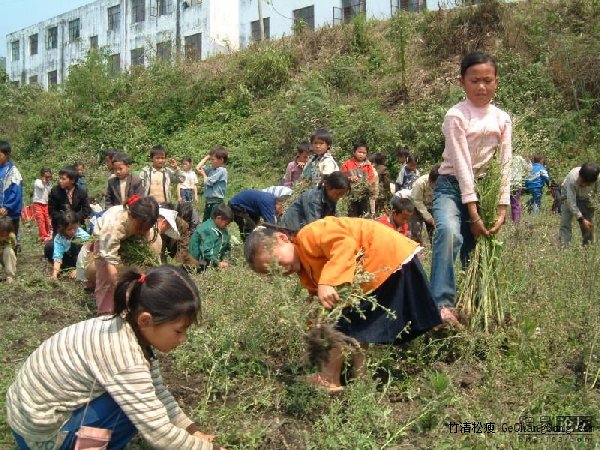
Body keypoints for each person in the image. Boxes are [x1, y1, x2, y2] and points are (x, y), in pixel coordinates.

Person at [7, 265, 222, 450]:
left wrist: (193, 431)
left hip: (27, 422)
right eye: (179, 331)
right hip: (42, 438)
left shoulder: (124, 327)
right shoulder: (125, 357)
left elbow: (157, 391)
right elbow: (159, 433)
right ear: (146, 320)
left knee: (141, 399)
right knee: (131, 411)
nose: (183, 339)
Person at [244, 217, 441, 392]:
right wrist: (313, 334)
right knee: (358, 326)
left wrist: (327, 282)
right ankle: (360, 379)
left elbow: (344, 244)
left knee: (340, 322)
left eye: (277, 262)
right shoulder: (303, 268)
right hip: (379, 268)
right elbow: (318, 300)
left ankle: (329, 378)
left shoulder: (310, 235)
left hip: (386, 259)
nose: (281, 270)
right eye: (271, 272)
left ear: (283, 238)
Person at [430, 51, 512, 325]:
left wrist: (502, 206)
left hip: (484, 188)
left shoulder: (502, 118)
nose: (481, 86)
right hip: (451, 187)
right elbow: (463, 166)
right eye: (474, 80)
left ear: (496, 82)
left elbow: (505, 163)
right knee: (451, 234)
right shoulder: (456, 116)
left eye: (487, 80)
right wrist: (473, 214)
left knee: (476, 246)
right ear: (461, 82)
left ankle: (474, 304)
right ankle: (441, 305)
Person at [92, 195, 161, 315]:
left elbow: (146, 246)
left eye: (147, 228)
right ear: (130, 216)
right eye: (140, 227)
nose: (143, 231)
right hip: (105, 242)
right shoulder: (114, 225)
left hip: (128, 238)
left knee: (134, 273)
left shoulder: (144, 221)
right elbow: (110, 261)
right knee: (106, 282)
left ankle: (130, 308)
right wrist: (120, 288)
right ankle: (105, 314)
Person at [279, 171, 350, 232]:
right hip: (291, 229)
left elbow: (334, 218)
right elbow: (315, 225)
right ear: (328, 187)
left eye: (342, 194)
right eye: (338, 194)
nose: (340, 197)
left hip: (305, 229)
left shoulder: (331, 198)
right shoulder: (314, 198)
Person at [559, 162, 599, 246]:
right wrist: (581, 219)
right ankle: (565, 248)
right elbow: (571, 203)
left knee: (588, 224)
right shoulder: (573, 178)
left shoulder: (597, 179)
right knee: (565, 223)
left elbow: (598, 195)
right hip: (567, 196)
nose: (582, 184)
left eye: (586, 183)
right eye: (582, 180)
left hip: (585, 197)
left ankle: (587, 248)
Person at [47, 165, 91, 238]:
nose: (60, 181)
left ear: (72, 180)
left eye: (63, 179)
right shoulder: (55, 192)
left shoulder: (82, 192)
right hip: (60, 228)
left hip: (78, 227)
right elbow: (52, 210)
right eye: (60, 178)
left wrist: (74, 219)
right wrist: (65, 219)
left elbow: (86, 209)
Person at [46, 209, 91, 280]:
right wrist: (54, 274)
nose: (73, 231)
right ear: (63, 229)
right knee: (49, 248)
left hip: (81, 259)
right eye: (69, 229)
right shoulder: (59, 238)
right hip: (68, 258)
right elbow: (58, 256)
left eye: (75, 228)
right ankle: (61, 268)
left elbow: (89, 254)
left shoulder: (82, 235)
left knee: (75, 243)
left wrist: (78, 270)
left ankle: (77, 268)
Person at [189, 204, 233, 271]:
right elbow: (206, 251)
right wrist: (218, 263)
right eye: (226, 223)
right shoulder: (208, 230)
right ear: (218, 218)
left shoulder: (219, 227)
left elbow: (226, 242)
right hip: (198, 263)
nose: (226, 226)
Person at [341, 143, 377, 217]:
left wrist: (372, 190)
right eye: (359, 152)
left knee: (364, 215)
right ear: (354, 152)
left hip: (364, 195)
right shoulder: (347, 164)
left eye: (364, 153)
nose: (361, 154)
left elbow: (372, 179)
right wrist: (349, 178)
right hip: (351, 195)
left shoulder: (368, 165)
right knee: (352, 216)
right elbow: (342, 177)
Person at [0, 141, 23, 252]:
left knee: (10, 237)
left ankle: (12, 263)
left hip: (10, 213)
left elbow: (16, 192)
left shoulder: (13, 172)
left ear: (7, 154)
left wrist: (7, 207)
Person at [410, 164, 440, 244]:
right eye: (435, 184)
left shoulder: (442, 184)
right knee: (416, 230)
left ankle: (434, 249)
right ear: (430, 180)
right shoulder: (420, 183)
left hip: (432, 207)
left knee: (434, 231)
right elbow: (417, 201)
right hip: (416, 207)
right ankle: (417, 251)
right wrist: (428, 217)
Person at [197, 146, 228, 222]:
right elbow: (198, 167)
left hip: (216, 203)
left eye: (213, 159)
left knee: (213, 224)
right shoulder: (212, 170)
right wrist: (207, 157)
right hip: (209, 201)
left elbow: (209, 182)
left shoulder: (222, 171)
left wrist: (204, 175)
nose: (211, 161)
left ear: (221, 160)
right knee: (205, 222)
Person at [32, 168, 53, 242]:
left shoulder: (49, 183)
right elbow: (41, 187)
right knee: (41, 219)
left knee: (47, 219)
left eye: (48, 176)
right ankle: (43, 236)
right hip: (38, 203)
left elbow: (50, 191)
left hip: (46, 203)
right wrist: (44, 180)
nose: (47, 178)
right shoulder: (37, 181)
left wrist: (48, 181)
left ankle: (48, 234)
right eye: (45, 176)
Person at [509, 155, 531, 223]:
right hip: (516, 184)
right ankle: (516, 223)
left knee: (501, 204)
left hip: (505, 184)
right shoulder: (519, 158)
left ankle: (501, 223)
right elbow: (529, 168)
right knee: (515, 204)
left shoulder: (503, 156)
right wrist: (528, 160)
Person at [0, 216, 17, 284]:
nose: (3, 234)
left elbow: (13, 245)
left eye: (5, 233)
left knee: (8, 251)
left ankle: (9, 275)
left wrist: (3, 248)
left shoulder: (11, 236)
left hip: (6, 255)